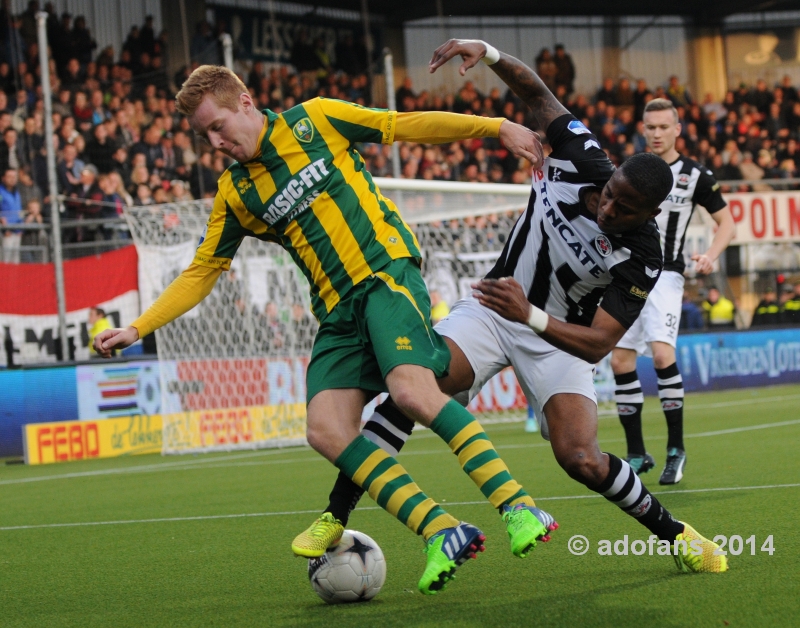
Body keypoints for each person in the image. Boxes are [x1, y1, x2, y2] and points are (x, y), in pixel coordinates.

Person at [93, 64, 552, 595]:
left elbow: (404, 124)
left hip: (384, 275)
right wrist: (138, 326)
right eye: (204, 136)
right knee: (325, 430)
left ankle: (518, 507)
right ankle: (440, 530)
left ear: (245, 101)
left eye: (218, 126)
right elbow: (202, 271)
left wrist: (495, 127)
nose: (216, 142)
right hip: (336, 313)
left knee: (409, 391)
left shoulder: (316, 120)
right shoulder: (236, 192)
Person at [305, 39, 727, 578]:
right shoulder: (582, 158)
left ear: (649, 214)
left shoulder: (645, 254)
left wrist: (529, 313)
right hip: (491, 311)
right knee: (416, 388)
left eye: (625, 208)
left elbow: (599, 341)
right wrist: (490, 53)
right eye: (610, 193)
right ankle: (335, 515)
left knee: (581, 459)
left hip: (559, 336)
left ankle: (677, 535)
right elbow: (537, 93)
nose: (609, 208)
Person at [609, 98, 735, 485]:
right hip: (628, 271)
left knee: (662, 355)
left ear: (678, 129)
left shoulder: (695, 174)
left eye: (664, 127)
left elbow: (727, 223)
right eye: (651, 127)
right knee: (619, 362)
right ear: (643, 129)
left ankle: (676, 450)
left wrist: (711, 256)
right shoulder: (631, 170)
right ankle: (636, 453)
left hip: (665, 274)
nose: (657, 133)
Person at [0, 168, 23, 263]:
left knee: (15, 261)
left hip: (17, 231)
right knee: (6, 260)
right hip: (6, 232)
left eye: (14, 177)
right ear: (4, 178)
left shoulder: (17, 192)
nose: (12, 179)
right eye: (9, 177)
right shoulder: (1, 192)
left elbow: (19, 209)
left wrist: (21, 228)